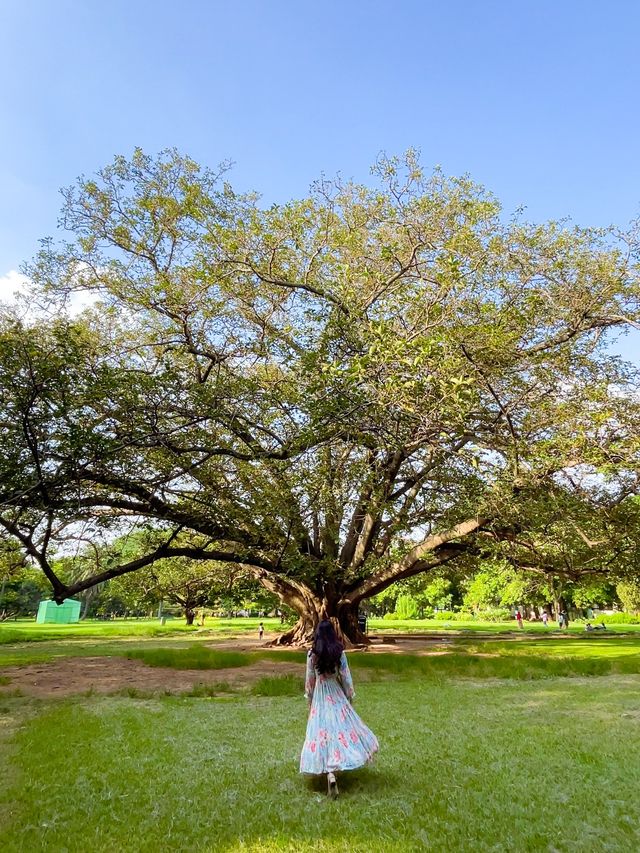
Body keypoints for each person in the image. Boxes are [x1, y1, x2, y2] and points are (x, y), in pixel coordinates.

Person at [300, 620, 378, 798]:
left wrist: (309, 700)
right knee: (338, 730)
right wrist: (349, 696)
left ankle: (330, 773)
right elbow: (345, 677)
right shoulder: (339, 652)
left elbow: (310, 680)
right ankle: (335, 768)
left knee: (322, 731)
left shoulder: (312, 654)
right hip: (336, 694)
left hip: (320, 695)